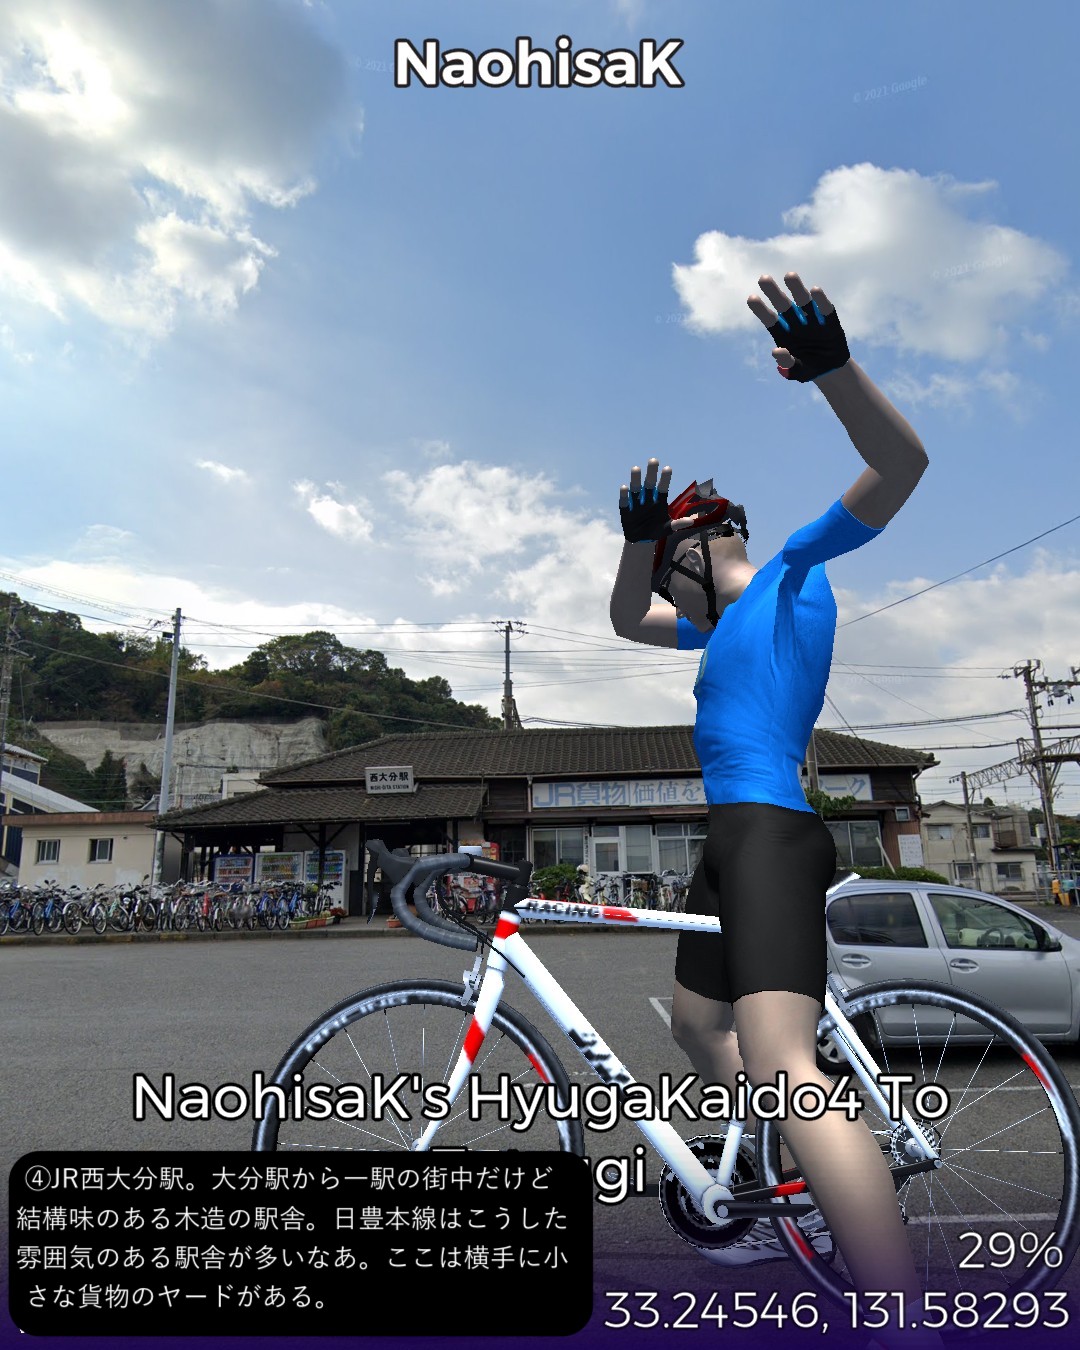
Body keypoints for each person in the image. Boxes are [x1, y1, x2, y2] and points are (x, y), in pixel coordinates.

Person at [610, 273, 937, 1348]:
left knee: (786, 1064)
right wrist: (637, 540)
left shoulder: (793, 573)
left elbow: (902, 465)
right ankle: (784, 1190)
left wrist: (835, 370)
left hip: (771, 834)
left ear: (701, 554)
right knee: (700, 1027)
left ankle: (903, 1321)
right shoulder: (712, 628)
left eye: (670, 574)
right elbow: (622, 620)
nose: (666, 600)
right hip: (730, 843)